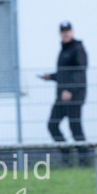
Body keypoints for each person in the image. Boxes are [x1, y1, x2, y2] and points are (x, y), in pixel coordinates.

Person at [41, 21, 88, 163]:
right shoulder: (64, 49)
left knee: (75, 129)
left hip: (74, 96)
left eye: (68, 31)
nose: (65, 33)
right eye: (63, 31)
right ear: (60, 34)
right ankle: (66, 154)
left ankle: (85, 161)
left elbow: (80, 72)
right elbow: (65, 74)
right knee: (52, 124)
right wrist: (51, 76)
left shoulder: (77, 48)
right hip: (62, 96)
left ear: (72, 32)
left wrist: (70, 90)